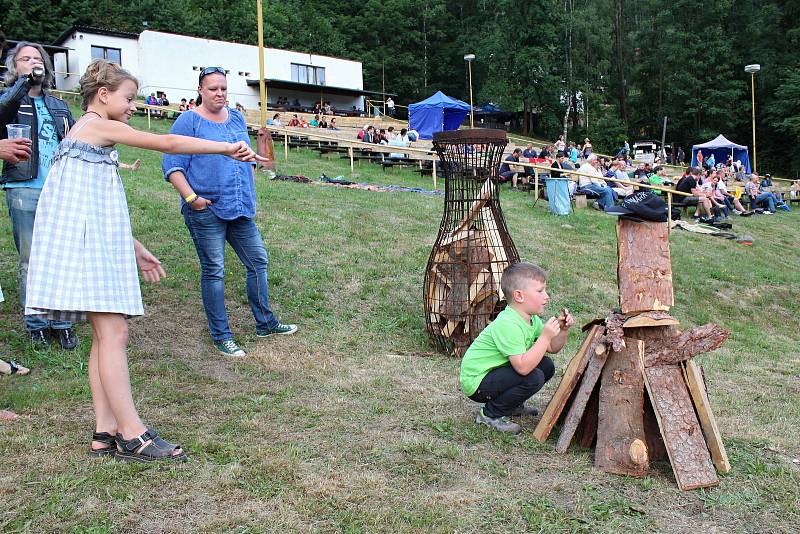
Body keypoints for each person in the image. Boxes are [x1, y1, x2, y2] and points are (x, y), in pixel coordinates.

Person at [24, 59, 263, 461]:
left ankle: (105, 431)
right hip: (88, 249)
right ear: (103, 96)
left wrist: (132, 245)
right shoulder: (97, 126)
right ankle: (134, 433)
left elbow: (87, 201)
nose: (134, 106)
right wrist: (226, 146)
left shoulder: (85, 137)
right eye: (129, 98)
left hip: (91, 242)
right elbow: (168, 144)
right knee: (113, 335)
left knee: (105, 337)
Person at [163, 66, 298, 358]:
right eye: (213, 89)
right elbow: (172, 165)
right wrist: (191, 198)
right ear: (200, 90)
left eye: (223, 88)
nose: (219, 94)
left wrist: (249, 193)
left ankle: (265, 323)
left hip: (239, 208)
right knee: (215, 270)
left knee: (258, 261)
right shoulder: (189, 121)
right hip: (205, 209)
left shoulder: (236, 117)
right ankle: (221, 335)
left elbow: (247, 158)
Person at [0, 41, 79, 349]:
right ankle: (37, 324)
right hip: (23, 188)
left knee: (61, 258)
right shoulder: (8, 101)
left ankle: (62, 322)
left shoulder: (59, 105)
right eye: (25, 59)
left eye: (38, 59)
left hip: (59, 190)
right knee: (30, 261)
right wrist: (22, 83)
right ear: (14, 66)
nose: (33, 62)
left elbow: (75, 141)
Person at [459, 262, 573, 433]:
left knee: (546, 366)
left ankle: (511, 405)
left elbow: (551, 347)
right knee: (533, 376)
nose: (546, 296)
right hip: (477, 381)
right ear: (519, 296)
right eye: (540, 291)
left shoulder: (530, 319)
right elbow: (523, 367)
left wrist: (562, 331)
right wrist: (544, 337)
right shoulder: (508, 323)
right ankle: (489, 415)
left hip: (498, 372)